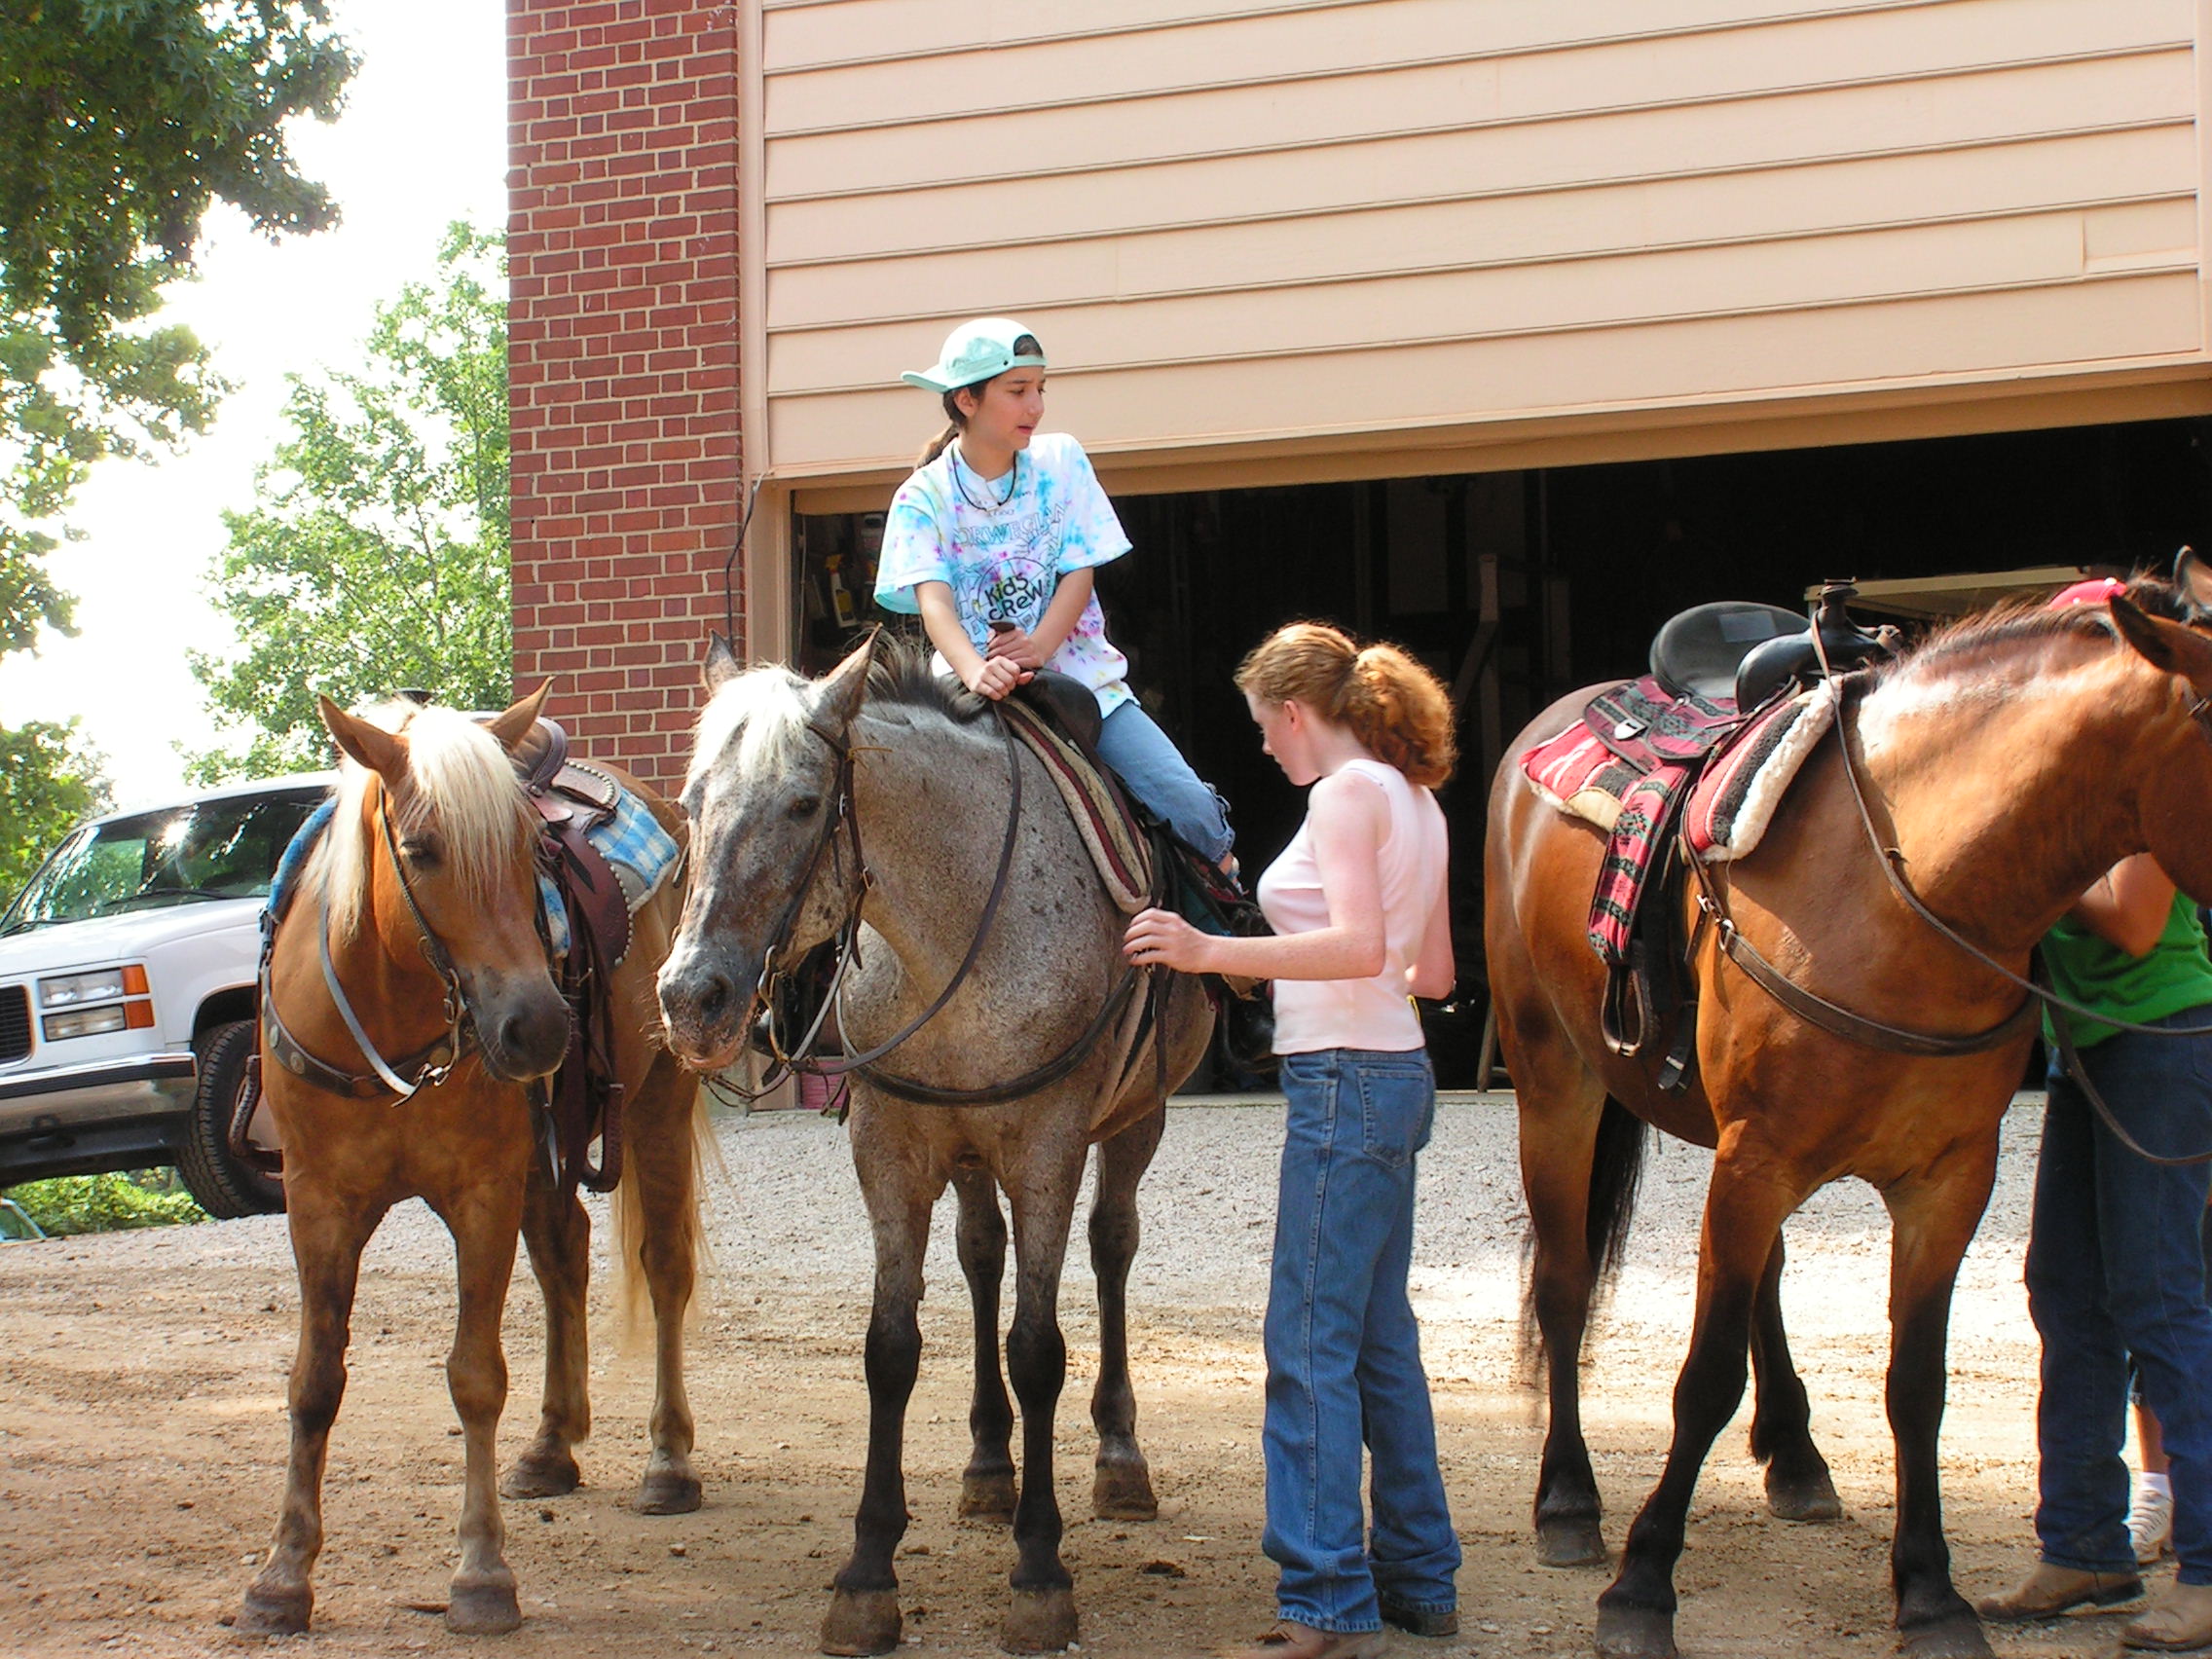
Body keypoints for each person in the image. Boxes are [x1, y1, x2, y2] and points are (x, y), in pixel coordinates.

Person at [1123, 621, 1461, 1659]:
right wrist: (1278, 968)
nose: (1266, 748)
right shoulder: (1416, 801)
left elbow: (1360, 947)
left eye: (1266, 728)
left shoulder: (1345, 795)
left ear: (1297, 713)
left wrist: (1205, 948)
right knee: (1377, 1340)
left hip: (1348, 1081)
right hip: (1396, 1070)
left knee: (1306, 1342)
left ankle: (1321, 1602)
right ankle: (1418, 1578)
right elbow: (1432, 973)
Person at [1976, 581, 2212, 1649]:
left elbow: (2129, 921)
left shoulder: (2152, 783)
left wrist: (2032, 853)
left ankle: (2205, 1568)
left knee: (2159, 1297)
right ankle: (2080, 1547)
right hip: (2091, 1055)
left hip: (2164, 1043)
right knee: (2065, 1290)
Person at [872, 316, 1234, 869]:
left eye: (1040, 388)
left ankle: (1223, 935)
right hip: (970, 696)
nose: (1036, 407)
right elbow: (934, 603)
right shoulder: (923, 496)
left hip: (1086, 686)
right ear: (967, 400)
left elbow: (1079, 571)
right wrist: (974, 670)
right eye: (1018, 391)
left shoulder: (1062, 461)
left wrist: (1039, 647)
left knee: (1193, 815)